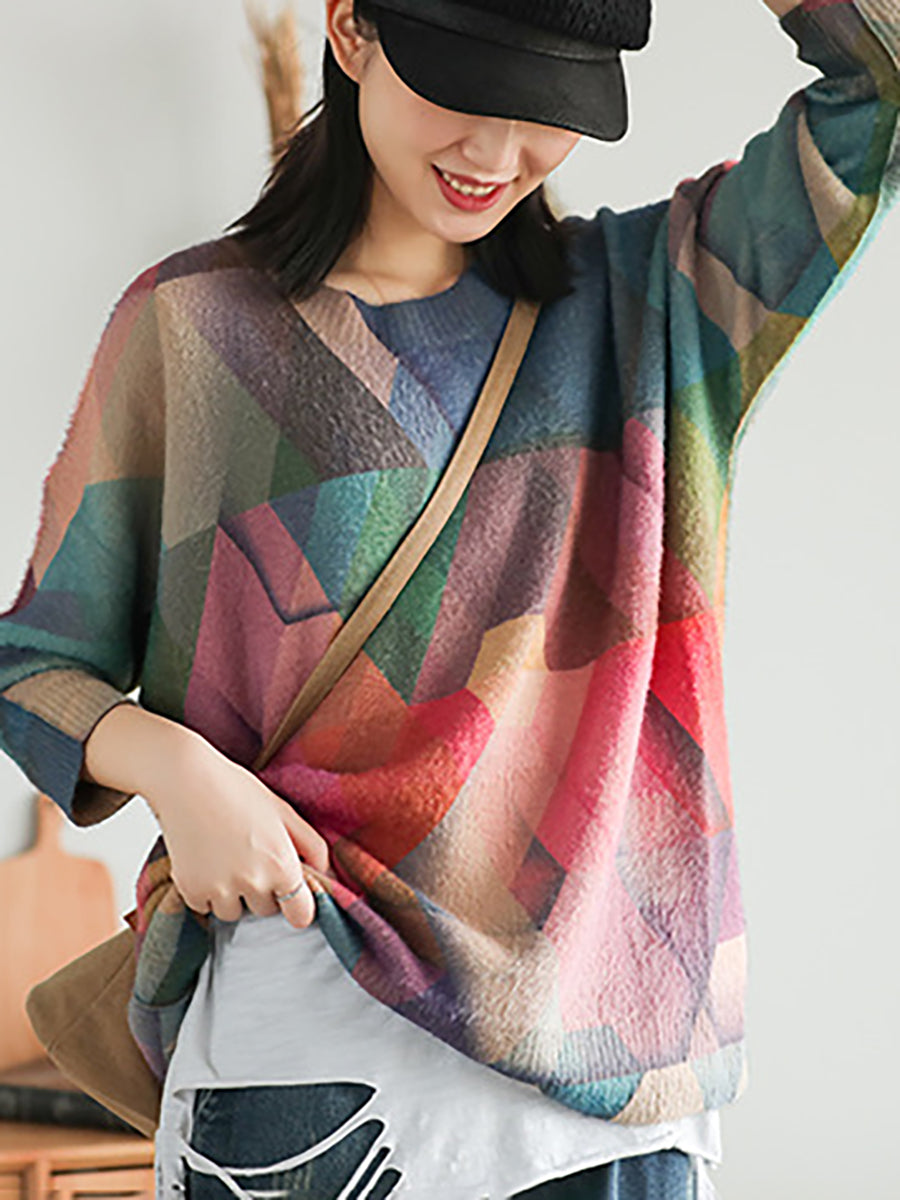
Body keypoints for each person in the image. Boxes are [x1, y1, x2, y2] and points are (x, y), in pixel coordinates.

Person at [1, 0, 897, 1196]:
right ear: (351, 29)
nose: (496, 151)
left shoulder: (656, 308)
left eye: (546, 110)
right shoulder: (196, 332)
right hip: (309, 1064)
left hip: (610, 1091)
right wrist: (178, 772)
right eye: (463, 90)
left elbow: (881, 88)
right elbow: (32, 664)